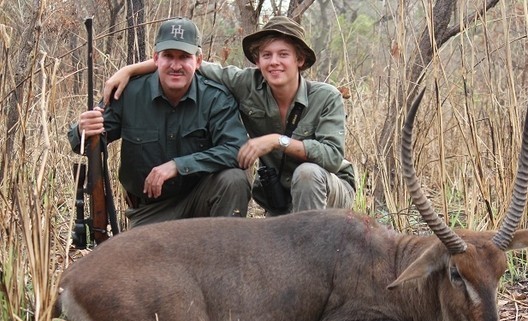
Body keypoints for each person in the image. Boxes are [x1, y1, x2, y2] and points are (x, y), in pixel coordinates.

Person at [104, 16, 355, 216]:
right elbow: (188, 65)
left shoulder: (326, 96)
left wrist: (277, 141)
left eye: (283, 54)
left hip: (327, 189)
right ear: (257, 60)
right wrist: (130, 70)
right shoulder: (245, 83)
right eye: (266, 55)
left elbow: (332, 158)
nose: (274, 62)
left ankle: (311, 264)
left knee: (307, 174)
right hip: (280, 197)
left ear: (300, 59)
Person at [68, 18, 251, 228]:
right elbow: (85, 144)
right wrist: (83, 129)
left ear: (198, 61)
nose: (175, 65)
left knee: (234, 180)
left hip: (201, 201)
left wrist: (178, 165)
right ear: (156, 57)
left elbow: (236, 150)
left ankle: (223, 257)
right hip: (150, 210)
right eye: (168, 56)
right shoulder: (128, 93)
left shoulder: (216, 97)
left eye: (184, 57)